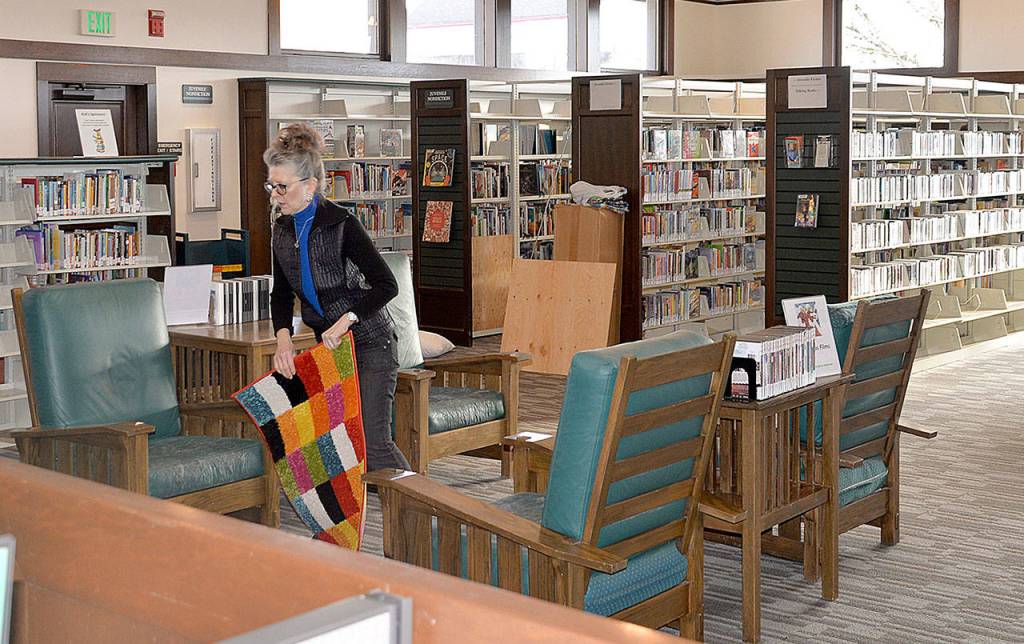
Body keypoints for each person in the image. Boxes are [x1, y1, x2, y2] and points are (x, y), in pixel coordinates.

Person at [265, 123, 411, 472]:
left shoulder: (342, 224)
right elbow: (281, 294)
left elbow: (386, 284)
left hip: (371, 345)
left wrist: (347, 320)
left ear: (310, 186)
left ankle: (419, 516)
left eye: (282, 187)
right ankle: (337, 526)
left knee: (374, 446)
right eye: (271, 186)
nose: (275, 195)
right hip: (330, 351)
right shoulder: (282, 229)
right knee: (334, 445)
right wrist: (283, 341)